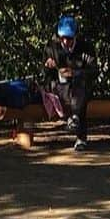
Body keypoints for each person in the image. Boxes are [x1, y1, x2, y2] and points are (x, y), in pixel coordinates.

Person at [43, 15, 96, 150]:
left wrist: (75, 73)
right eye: (63, 38)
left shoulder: (86, 48)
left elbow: (93, 71)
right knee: (61, 85)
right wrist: (48, 66)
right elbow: (46, 74)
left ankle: (80, 135)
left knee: (80, 90)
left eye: (69, 38)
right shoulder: (51, 48)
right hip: (59, 88)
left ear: (75, 36)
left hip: (80, 88)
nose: (66, 42)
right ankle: (73, 117)